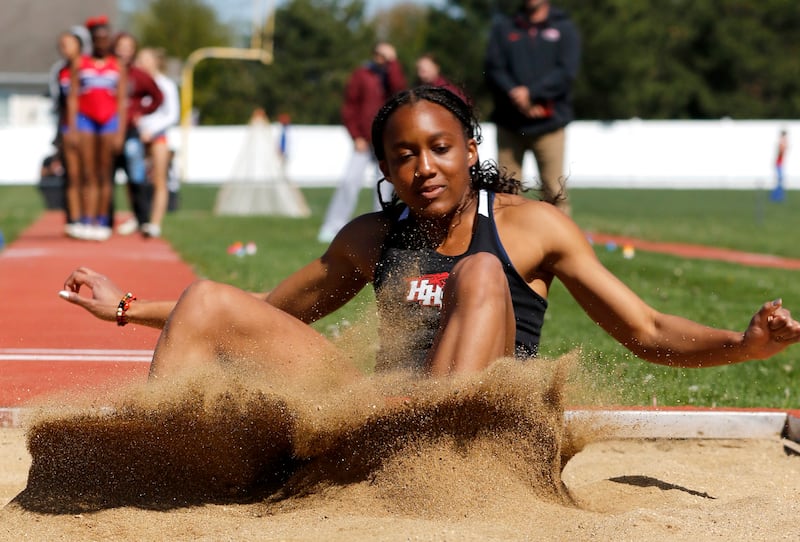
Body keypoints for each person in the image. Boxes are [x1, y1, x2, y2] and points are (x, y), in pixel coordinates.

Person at [60, 86, 800, 385]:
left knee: (480, 275)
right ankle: (156, 455)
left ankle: (433, 475)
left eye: (440, 148)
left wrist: (745, 346)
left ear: (471, 151)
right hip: (384, 416)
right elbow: (266, 311)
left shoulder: (534, 227)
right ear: (385, 167)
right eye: (404, 154)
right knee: (210, 296)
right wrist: (128, 309)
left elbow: (644, 328)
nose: (425, 167)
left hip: (481, 435)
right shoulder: (370, 237)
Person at [484, 0, 580, 215]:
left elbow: (566, 72)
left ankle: (560, 246)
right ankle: (505, 245)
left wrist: (532, 93)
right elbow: (493, 68)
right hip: (510, 123)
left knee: (555, 191)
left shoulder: (564, 27)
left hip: (550, 123)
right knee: (505, 192)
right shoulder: (504, 27)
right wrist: (515, 94)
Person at [317, 42, 407, 244]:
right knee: (349, 181)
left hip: (386, 141)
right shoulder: (361, 75)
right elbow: (350, 107)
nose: (381, 58)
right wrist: (355, 135)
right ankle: (332, 226)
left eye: (386, 55)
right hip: (363, 141)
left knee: (384, 186)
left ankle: (382, 229)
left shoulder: (391, 75)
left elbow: (400, 91)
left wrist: (393, 64)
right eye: (379, 54)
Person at [68, 15, 127, 241]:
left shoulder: (117, 64)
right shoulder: (80, 63)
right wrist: (72, 127)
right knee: (87, 172)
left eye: (105, 37)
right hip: (85, 120)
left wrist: (120, 131)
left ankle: (102, 220)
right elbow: (73, 97)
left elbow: (121, 101)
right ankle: (86, 219)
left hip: (109, 122)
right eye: (97, 38)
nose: (102, 42)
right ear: (92, 39)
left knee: (104, 172)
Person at [111, 33, 164, 236]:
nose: (124, 50)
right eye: (120, 46)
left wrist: (140, 112)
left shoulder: (138, 75)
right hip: (107, 130)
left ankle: (143, 219)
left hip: (130, 132)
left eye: (128, 46)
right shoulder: (108, 71)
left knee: (136, 172)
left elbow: (158, 97)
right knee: (106, 175)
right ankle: (104, 220)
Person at [135, 47, 180, 238]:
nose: (141, 62)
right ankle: (139, 217)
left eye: (146, 58)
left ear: (156, 61)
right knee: (135, 179)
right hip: (136, 136)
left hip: (158, 137)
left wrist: (151, 131)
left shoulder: (166, 85)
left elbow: (172, 114)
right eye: (140, 58)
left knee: (159, 179)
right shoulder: (135, 83)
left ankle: (155, 222)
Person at [49, 28, 87, 239]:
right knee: (72, 175)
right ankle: (74, 219)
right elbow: (58, 103)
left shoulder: (88, 67)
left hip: (90, 126)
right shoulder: (59, 71)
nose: (65, 49)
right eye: (61, 45)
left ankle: (93, 218)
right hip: (67, 126)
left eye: (69, 44)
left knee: (89, 174)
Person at [771, 130, 788, 202]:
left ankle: (778, 196)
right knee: (780, 180)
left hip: (779, 164)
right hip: (779, 164)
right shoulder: (782, 143)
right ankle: (777, 197)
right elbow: (780, 152)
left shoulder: (782, 142)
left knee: (780, 180)